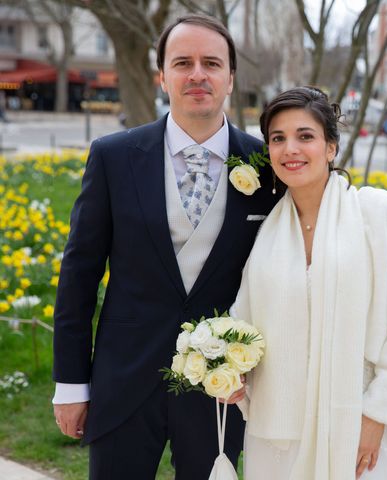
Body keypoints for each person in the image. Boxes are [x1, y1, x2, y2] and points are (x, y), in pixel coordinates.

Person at [52, 14, 278, 479]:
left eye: (212, 63)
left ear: (231, 77)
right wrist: (71, 385)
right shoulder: (114, 156)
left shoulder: (269, 166)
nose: (198, 74)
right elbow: (79, 275)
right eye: (183, 62)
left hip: (223, 388)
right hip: (125, 379)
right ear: (163, 76)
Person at [230, 87, 387, 479]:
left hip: (358, 425)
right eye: (278, 139)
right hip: (277, 435)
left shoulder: (382, 216)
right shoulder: (266, 234)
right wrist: (229, 370)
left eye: (305, 136)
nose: (290, 148)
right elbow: (245, 325)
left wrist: (378, 416)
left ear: (330, 147)